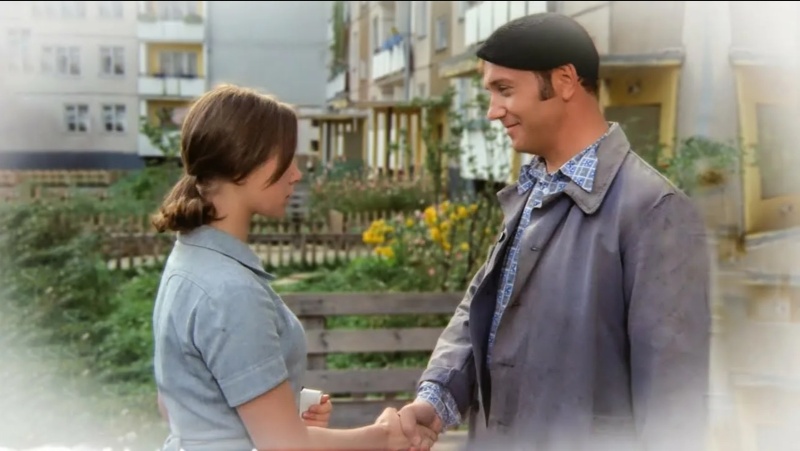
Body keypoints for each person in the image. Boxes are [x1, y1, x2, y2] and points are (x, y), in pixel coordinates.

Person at [397, 12, 711, 451]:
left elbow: (674, 406)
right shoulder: (533, 189)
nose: (492, 111)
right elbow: (486, 311)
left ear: (564, 81)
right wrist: (435, 400)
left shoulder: (656, 211)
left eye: (505, 90)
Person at [150, 84, 437, 451]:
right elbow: (285, 446)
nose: (297, 173)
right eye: (287, 158)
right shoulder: (230, 290)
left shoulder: (189, 259)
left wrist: (285, 415)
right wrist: (384, 437)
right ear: (244, 163)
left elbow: (179, 405)